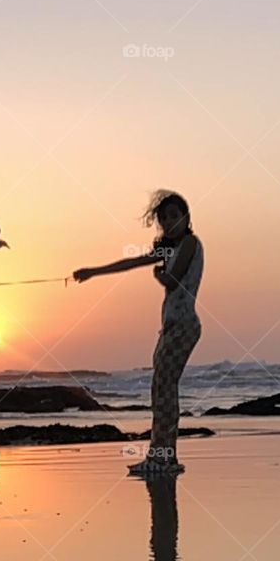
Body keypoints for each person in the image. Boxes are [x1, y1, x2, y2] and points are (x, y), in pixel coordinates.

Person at [73, 191, 203, 475]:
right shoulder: (169, 249)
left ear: (186, 218)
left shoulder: (191, 243)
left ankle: (163, 458)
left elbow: (172, 279)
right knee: (160, 389)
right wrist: (93, 272)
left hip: (184, 326)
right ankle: (162, 456)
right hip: (170, 328)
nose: (169, 222)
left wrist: (159, 275)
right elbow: (131, 262)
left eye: (174, 216)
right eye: (164, 218)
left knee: (165, 389)